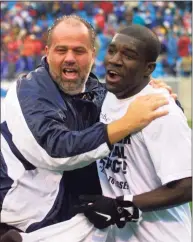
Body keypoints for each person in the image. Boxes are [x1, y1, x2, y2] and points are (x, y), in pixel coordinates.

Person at [0, 15, 170, 239]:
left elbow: (126, 105)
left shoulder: (96, 92)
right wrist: (127, 123)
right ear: (47, 52)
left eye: (79, 51)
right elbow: (57, 149)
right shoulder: (27, 93)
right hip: (24, 225)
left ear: (92, 54)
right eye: (61, 50)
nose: (70, 58)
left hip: (70, 220)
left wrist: (157, 95)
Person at [77, 25, 191, 242]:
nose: (115, 60)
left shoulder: (161, 109)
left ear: (148, 68)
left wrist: (120, 205)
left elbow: (187, 186)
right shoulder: (108, 96)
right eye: (112, 51)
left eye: (129, 56)